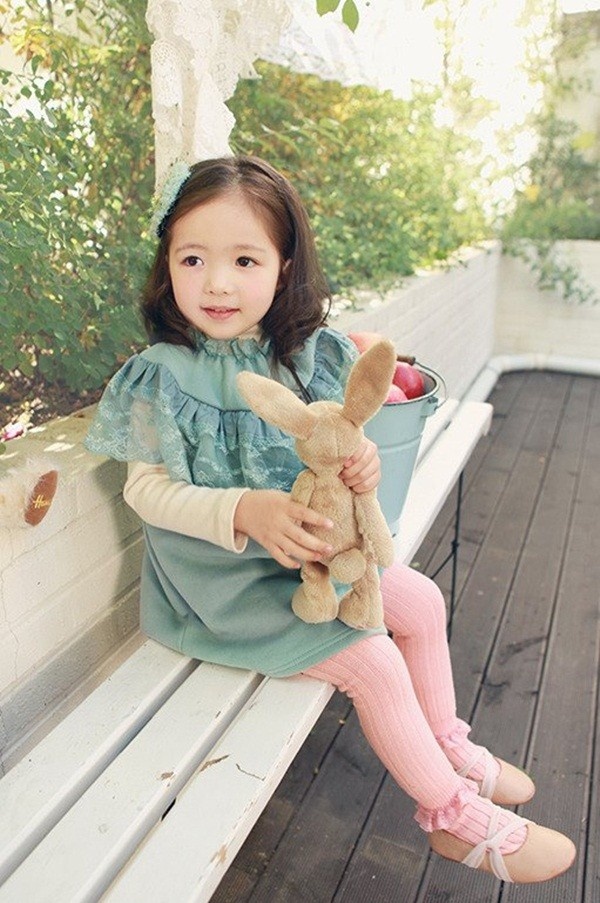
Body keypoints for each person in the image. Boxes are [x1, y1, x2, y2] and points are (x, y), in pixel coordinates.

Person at [85, 155, 575, 884]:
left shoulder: (304, 356)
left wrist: (362, 464)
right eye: (192, 259)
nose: (216, 283)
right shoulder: (162, 373)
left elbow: (341, 440)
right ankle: (453, 819)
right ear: (168, 265)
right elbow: (146, 492)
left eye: (244, 259)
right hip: (226, 588)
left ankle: (446, 743)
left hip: (306, 559)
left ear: (283, 266)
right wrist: (243, 508)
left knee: (420, 601)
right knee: (373, 662)